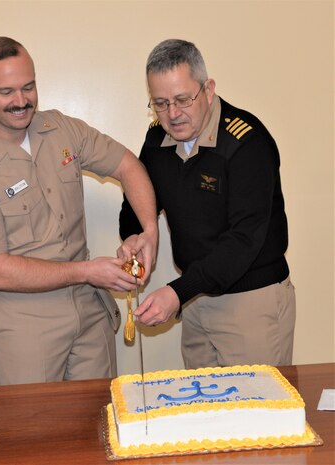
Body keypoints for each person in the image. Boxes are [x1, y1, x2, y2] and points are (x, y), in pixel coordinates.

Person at [0, 36, 158, 385]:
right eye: (6, 91)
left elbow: (127, 166)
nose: (21, 101)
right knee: (36, 434)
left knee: (99, 422)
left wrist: (149, 230)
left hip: (90, 313)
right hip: (27, 327)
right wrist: (88, 271)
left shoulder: (61, 129)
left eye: (28, 87)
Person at [118, 39, 295, 368]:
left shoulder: (247, 143)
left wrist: (177, 292)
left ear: (208, 89)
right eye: (160, 103)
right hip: (197, 298)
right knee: (203, 413)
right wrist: (135, 235)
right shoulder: (157, 141)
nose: (173, 113)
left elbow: (243, 241)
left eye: (183, 99)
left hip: (251, 302)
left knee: (255, 415)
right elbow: (136, 202)